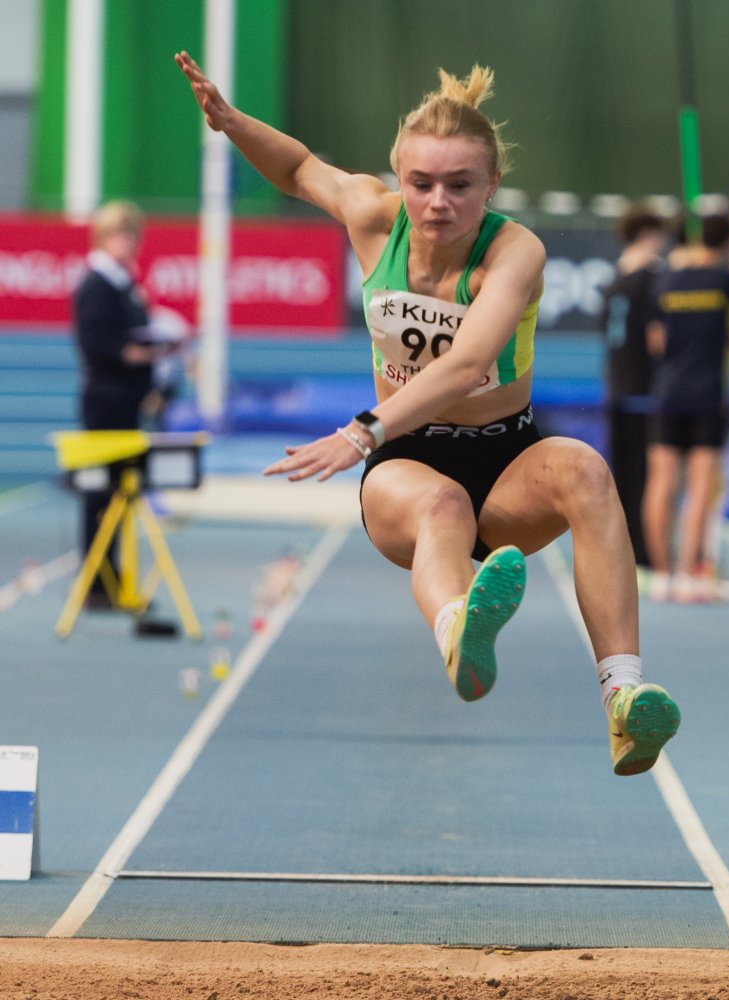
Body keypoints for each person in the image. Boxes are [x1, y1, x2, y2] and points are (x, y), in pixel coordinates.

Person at [175, 52, 680, 775]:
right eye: (421, 183)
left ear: (492, 185)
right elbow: (296, 170)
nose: (438, 202)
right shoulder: (374, 220)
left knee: (587, 471)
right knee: (441, 506)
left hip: (506, 459)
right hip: (407, 465)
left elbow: (470, 363)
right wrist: (231, 122)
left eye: (459, 185)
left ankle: (624, 701)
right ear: (398, 179)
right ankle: (458, 630)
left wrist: (359, 430)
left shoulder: (515, 252)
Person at [641, 213, 729, 603]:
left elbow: (656, 343)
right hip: (708, 394)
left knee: (662, 483)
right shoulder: (726, 280)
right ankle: (688, 574)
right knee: (700, 486)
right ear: (726, 243)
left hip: (668, 392)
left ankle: (663, 575)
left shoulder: (665, 281)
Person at [72, 200, 162, 610]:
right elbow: (97, 344)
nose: (128, 243)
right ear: (103, 238)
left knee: (119, 494)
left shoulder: (123, 283)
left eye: (132, 235)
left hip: (123, 400)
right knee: (101, 495)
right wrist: (136, 355)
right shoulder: (96, 283)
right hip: (106, 402)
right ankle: (96, 582)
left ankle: (112, 576)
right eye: (120, 234)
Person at [599, 204, 671, 573]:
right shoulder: (651, 277)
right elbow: (657, 337)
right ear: (647, 234)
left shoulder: (614, 279)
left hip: (617, 386)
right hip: (645, 388)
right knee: (647, 475)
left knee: (625, 474)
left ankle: (626, 550)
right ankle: (645, 551)